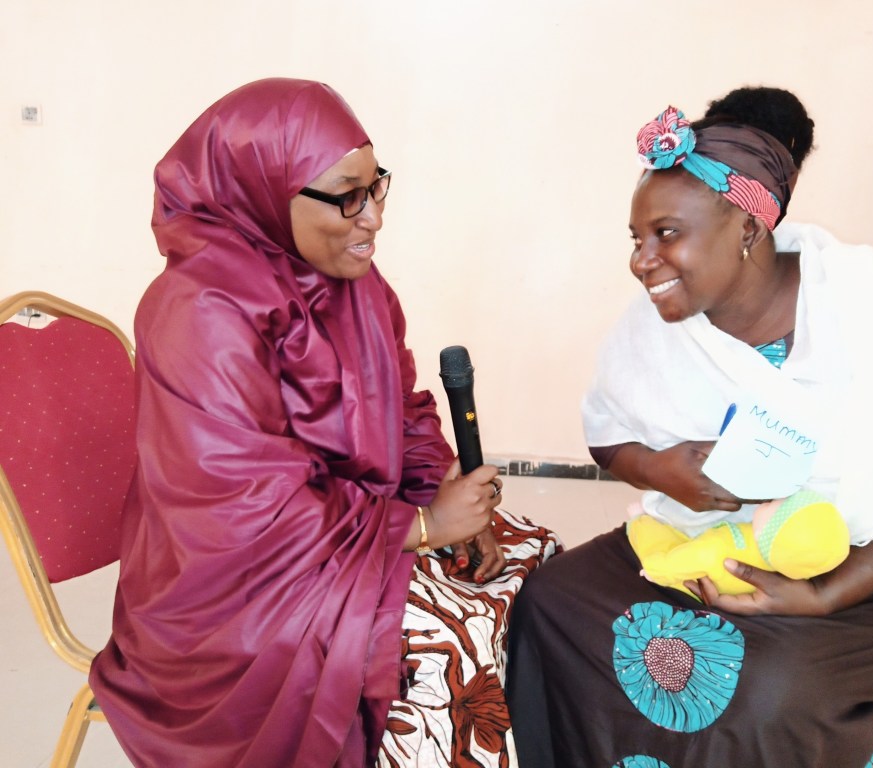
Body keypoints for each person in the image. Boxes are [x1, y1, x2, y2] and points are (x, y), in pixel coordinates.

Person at [507, 87, 873, 768]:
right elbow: (609, 430)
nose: (640, 261)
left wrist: (818, 596)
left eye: (667, 235)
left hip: (854, 577)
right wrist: (661, 471)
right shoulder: (654, 324)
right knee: (549, 604)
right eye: (636, 238)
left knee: (762, 695)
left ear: (745, 228)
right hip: (695, 545)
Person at [89, 78, 559, 768]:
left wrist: (445, 493)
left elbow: (404, 411)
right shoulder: (200, 311)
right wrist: (425, 528)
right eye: (347, 196)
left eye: (377, 188)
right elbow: (247, 511)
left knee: (531, 562)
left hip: (343, 534)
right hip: (232, 594)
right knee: (445, 644)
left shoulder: (357, 285)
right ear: (264, 191)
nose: (372, 218)